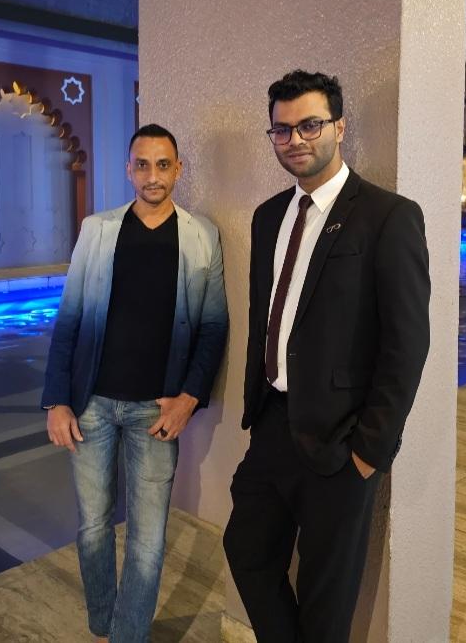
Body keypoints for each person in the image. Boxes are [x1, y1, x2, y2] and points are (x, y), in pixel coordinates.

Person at [223, 70, 430, 643]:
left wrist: (370, 450)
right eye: (282, 129)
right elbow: (266, 315)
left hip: (342, 441)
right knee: (246, 550)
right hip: (272, 424)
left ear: (339, 127)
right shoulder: (269, 216)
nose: (295, 139)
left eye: (310, 125)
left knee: (326, 599)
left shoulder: (387, 215)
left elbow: (408, 342)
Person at [42, 123, 229, 643]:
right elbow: (69, 319)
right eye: (142, 165)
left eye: (163, 165)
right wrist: (57, 400)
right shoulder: (97, 230)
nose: (153, 176)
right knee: (93, 527)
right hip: (92, 404)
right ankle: (104, 624)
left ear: (178, 169)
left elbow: (214, 326)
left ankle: (129, 636)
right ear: (129, 170)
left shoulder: (201, 235)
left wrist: (189, 398)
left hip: (156, 410)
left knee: (147, 541)